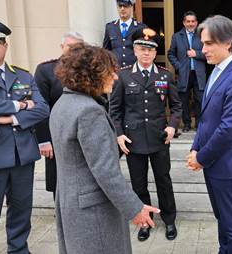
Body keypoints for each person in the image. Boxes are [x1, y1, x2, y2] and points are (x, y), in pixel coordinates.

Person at [50, 43, 160, 254]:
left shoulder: (62, 103)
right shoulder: (89, 112)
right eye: (111, 72)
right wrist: (135, 209)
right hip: (93, 211)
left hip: (70, 202)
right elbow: (105, 171)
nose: (116, 77)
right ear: (93, 74)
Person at [187, 15, 232, 254]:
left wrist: (201, 157)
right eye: (203, 43)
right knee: (222, 219)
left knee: (231, 224)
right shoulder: (216, 71)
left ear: (227, 42)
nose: (203, 49)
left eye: (208, 44)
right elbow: (206, 119)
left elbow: (228, 128)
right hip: (213, 162)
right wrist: (195, 147)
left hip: (225, 164)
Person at [110, 28, 181, 242]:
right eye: (142, 48)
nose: (146, 53)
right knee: (139, 184)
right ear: (134, 49)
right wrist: (119, 135)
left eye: (150, 50)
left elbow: (177, 107)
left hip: (160, 138)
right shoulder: (123, 76)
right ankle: (144, 221)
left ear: (155, 51)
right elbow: (114, 111)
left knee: (163, 181)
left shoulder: (165, 75)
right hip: (133, 141)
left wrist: (172, 126)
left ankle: (169, 220)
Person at [0, 20, 50, 254]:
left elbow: (42, 108)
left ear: (5, 46)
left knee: (21, 209)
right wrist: (21, 104)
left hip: (22, 156)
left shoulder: (22, 75)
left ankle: (18, 250)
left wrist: (11, 118)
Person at [34, 31, 84, 200]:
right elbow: (41, 107)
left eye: (78, 48)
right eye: (70, 47)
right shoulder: (46, 70)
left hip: (83, 132)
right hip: (57, 135)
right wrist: (44, 140)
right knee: (59, 179)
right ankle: (61, 212)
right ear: (62, 47)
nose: (74, 51)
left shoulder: (88, 71)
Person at [167, 11, 206, 132]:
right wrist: (178, 66)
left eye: (193, 21)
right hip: (184, 73)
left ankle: (199, 125)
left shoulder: (202, 36)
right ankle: (187, 124)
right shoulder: (177, 36)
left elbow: (209, 53)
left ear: (197, 23)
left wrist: (196, 54)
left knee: (200, 100)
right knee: (184, 100)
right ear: (184, 23)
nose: (190, 24)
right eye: (188, 21)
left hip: (198, 74)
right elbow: (170, 54)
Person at [103, 0, 147, 68]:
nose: (122, 9)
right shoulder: (110, 27)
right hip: (115, 70)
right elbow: (106, 51)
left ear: (131, 7)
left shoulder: (140, 27)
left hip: (133, 70)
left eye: (125, 6)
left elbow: (145, 50)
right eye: (120, 6)